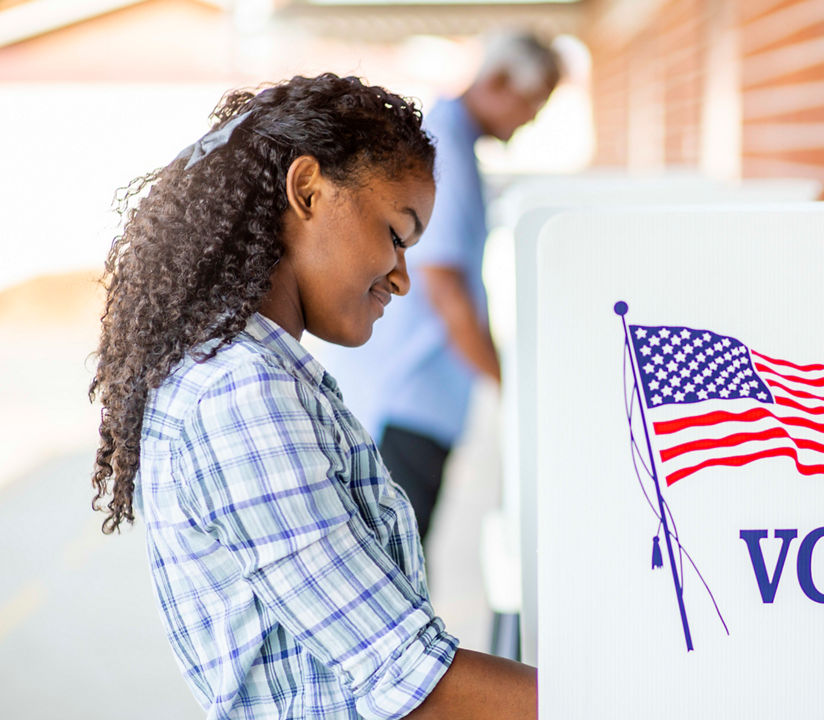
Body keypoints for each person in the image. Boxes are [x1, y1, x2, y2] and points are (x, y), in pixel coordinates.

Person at [89, 74, 535, 719]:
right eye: (395, 235)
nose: (402, 278)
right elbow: (410, 680)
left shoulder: (268, 372)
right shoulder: (242, 394)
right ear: (307, 191)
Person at [323, 32, 561, 550]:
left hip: (423, 401)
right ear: (498, 82)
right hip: (405, 401)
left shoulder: (459, 143)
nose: (534, 118)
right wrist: (512, 388)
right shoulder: (442, 149)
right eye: (534, 101)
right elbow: (445, 289)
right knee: (392, 576)